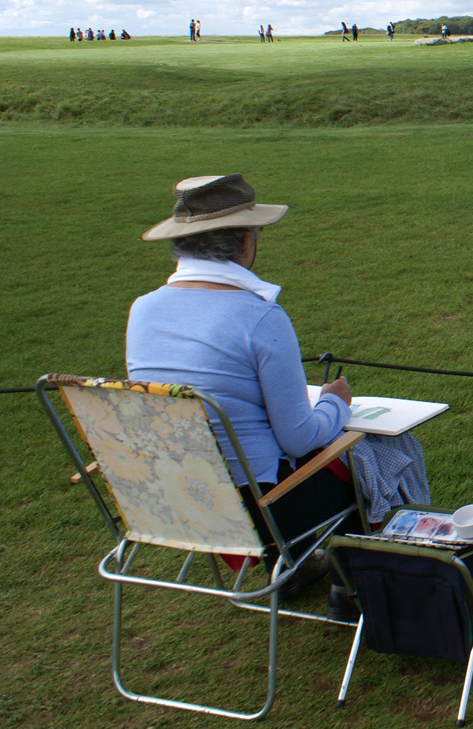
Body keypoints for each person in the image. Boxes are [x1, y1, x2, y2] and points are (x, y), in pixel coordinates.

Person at [126, 174, 360, 615]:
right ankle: (351, 592)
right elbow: (298, 437)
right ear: (245, 242)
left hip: (170, 500)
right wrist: (335, 401)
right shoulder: (258, 316)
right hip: (258, 510)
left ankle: (294, 566)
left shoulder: (142, 309)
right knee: (370, 464)